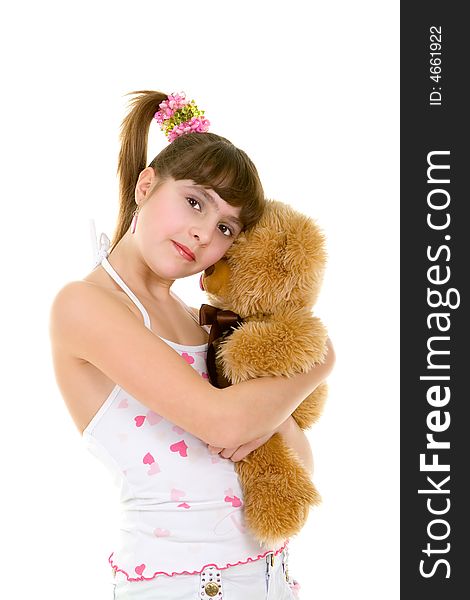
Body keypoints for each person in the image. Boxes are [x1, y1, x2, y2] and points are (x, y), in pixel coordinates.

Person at [49, 90, 335, 600]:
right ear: (146, 185)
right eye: (195, 201)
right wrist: (320, 362)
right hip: (182, 587)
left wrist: (273, 399)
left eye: (225, 227)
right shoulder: (86, 306)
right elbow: (224, 422)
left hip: (270, 579)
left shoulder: (208, 324)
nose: (204, 232)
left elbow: (296, 463)